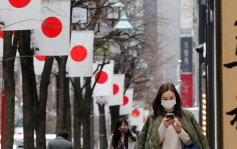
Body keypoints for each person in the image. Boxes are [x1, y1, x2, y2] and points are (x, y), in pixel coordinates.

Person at [137, 83, 210, 149]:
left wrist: (180, 131)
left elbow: (192, 142)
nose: (168, 101)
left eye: (171, 98)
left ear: (176, 98)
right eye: (165, 99)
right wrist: (163, 127)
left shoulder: (186, 115)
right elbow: (150, 144)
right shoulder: (153, 116)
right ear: (160, 99)